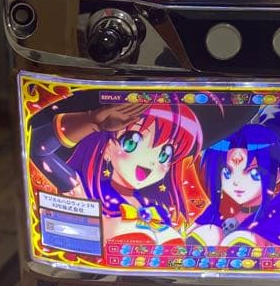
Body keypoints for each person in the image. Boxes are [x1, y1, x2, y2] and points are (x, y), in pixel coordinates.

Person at [29, 96, 202, 243]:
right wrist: (90, 122)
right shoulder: (82, 190)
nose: (151, 161)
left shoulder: (156, 208)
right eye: (132, 143)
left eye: (165, 154)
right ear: (108, 148)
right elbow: (37, 149)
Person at [190, 105, 280, 247]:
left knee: (248, 238)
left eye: (253, 173)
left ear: (277, 174)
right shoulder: (221, 202)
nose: (236, 182)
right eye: (227, 172)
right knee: (209, 232)